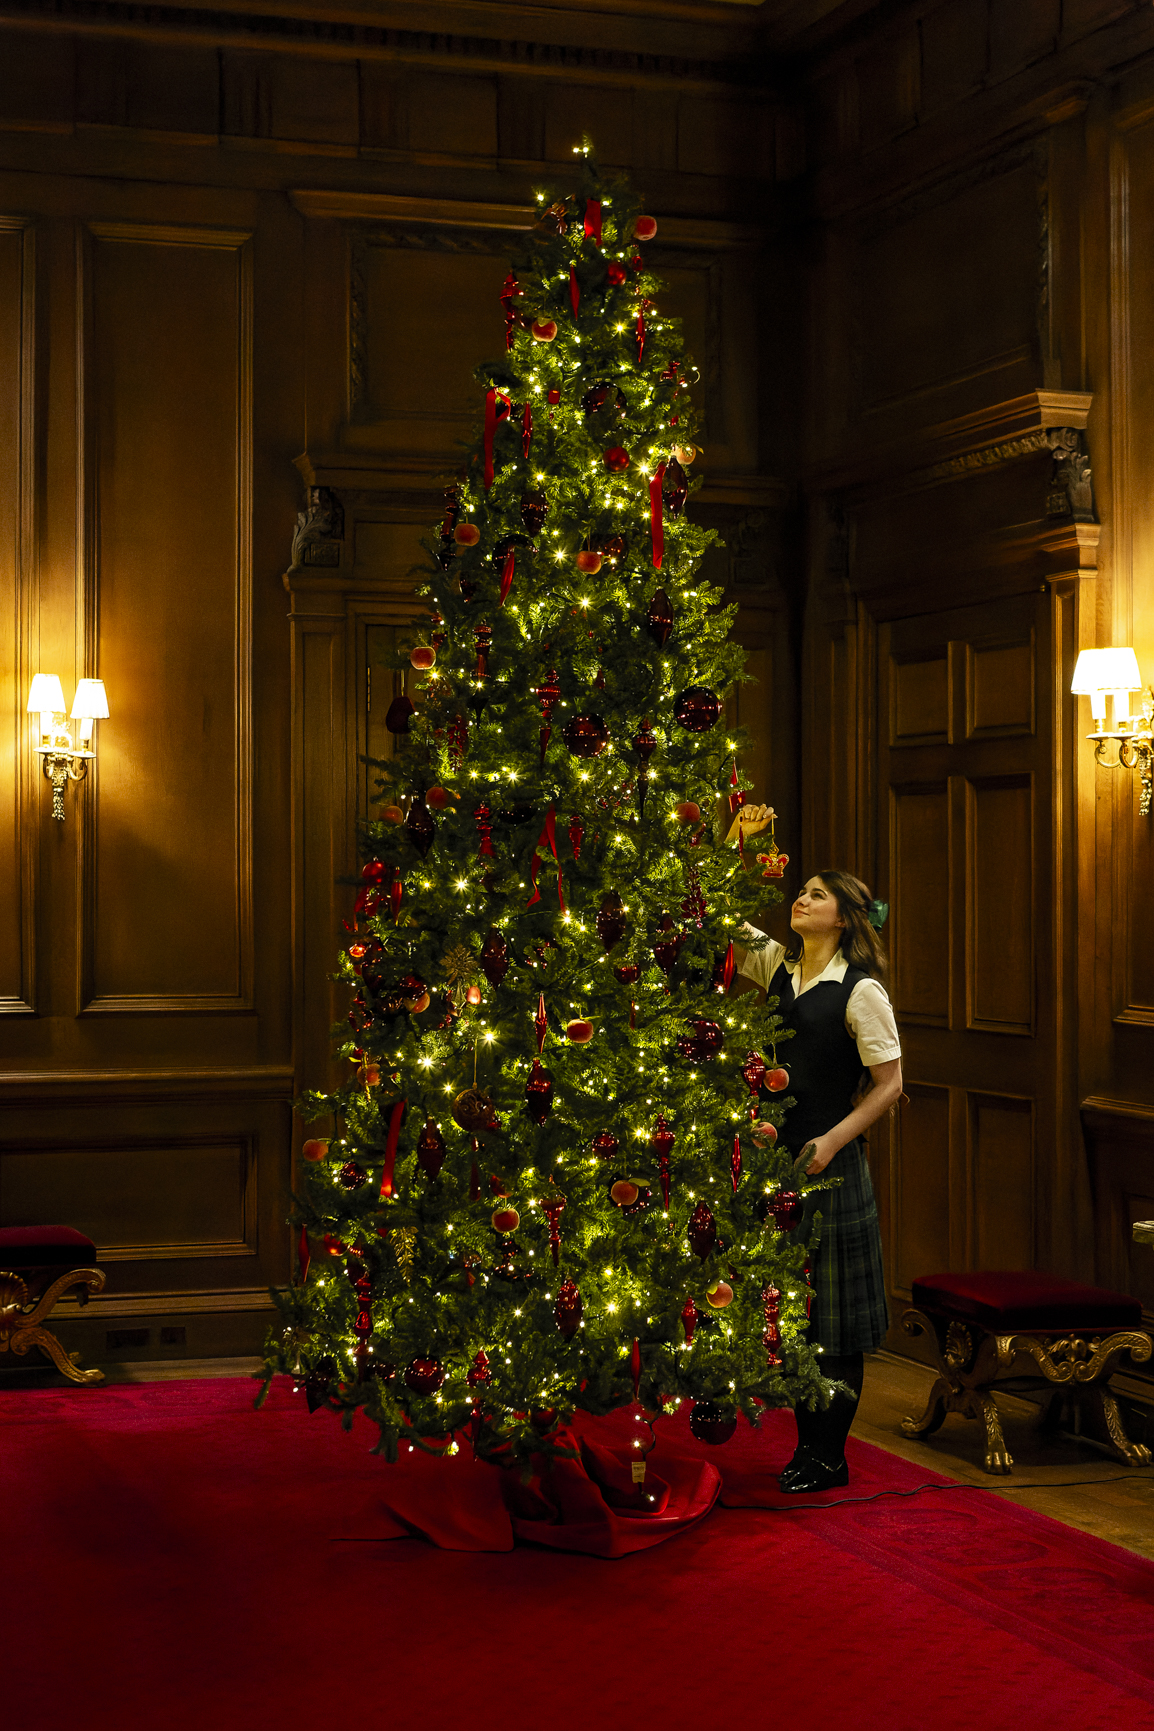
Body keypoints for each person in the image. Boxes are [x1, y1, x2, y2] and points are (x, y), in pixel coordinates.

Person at [730, 804, 902, 1493]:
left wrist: (832, 1140)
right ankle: (806, 1448)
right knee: (791, 1314)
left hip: (829, 1166)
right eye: (799, 891)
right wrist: (736, 840)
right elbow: (712, 915)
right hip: (775, 1163)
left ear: (846, 918)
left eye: (817, 894)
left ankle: (827, 1455)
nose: (800, 899)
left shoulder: (860, 991)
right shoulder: (775, 964)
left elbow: (890, 1084)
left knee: (833, 1321)